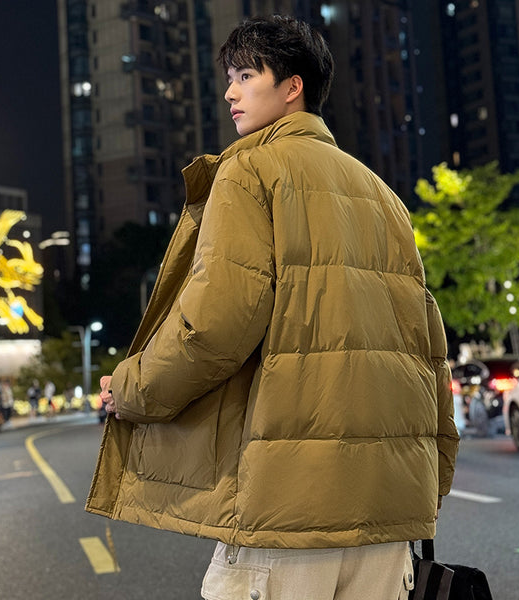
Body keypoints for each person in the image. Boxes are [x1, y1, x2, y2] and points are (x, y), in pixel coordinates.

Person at [87, 15, 459, 600]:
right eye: (229, 78)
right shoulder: (384, 197)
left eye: (246, 75)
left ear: (293, 87)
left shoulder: (250, 170)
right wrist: (434, 474)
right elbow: (427, 348)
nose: (230, 93)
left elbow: (212, 327)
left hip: (286, 513)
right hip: (387, 521)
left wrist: (130, 388)